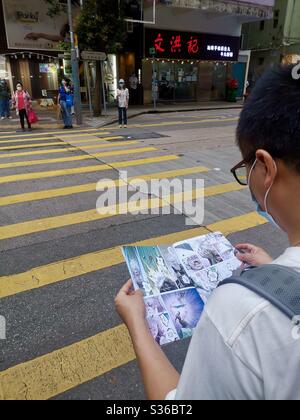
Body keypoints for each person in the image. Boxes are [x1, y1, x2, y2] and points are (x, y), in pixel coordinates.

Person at [115, 65, 300, 400]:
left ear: (267, 167)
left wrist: (138, 326)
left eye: (246, 168)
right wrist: (278, 274)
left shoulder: (241, 310)